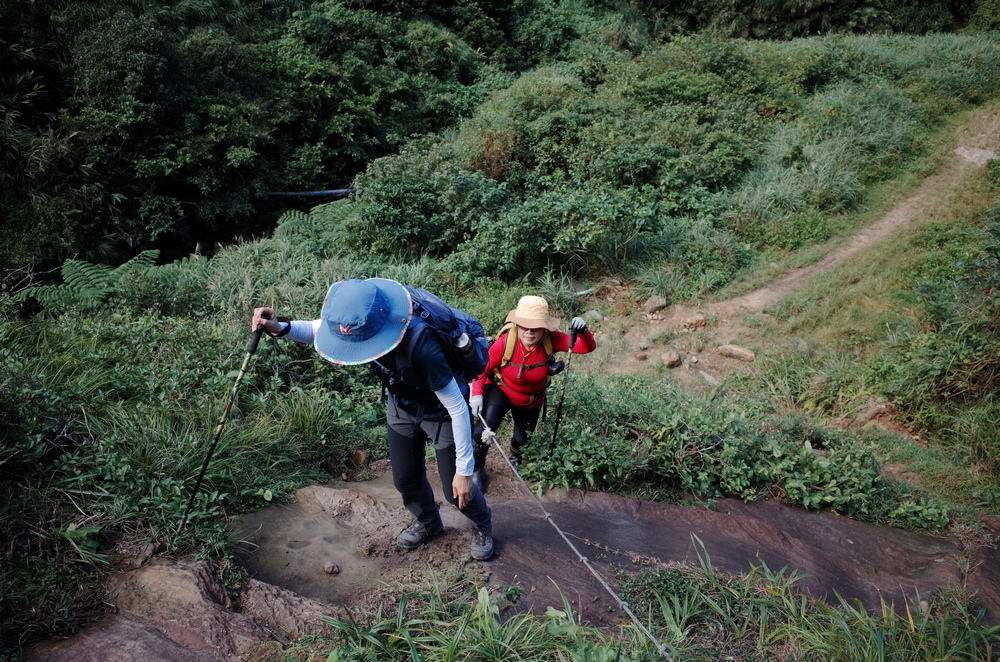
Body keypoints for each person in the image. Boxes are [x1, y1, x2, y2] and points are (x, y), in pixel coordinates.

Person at [251, 278, 494, 560]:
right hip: (401, 405)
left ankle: (482, 523)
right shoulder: (361, 323)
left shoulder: (421, 344)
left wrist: (464, 471)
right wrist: (279, 327)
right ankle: (429, 522)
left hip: (440, 412)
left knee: (456, 490)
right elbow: (319, 329)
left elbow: (457, 407)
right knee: (405, 478)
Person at [469, 296, 596, 486]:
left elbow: (584, 348)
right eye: (524, 326)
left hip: (531, 399)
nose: (529, 332)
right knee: (483, 430)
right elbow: (482, 369)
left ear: (544, 327)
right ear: (517, 324)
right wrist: (477, 394)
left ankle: (516, 461)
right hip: (502, 390)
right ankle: (477, 469)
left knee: (523, 438)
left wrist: (584, 332)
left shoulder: (551, 339)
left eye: (535, 327)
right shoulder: (505, 342)